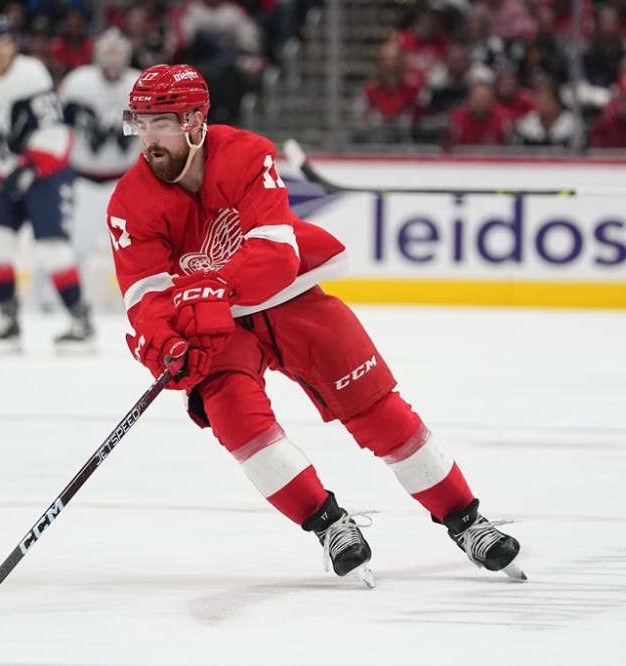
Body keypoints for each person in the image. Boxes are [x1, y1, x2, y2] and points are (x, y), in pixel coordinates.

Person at [108, 63, 525, 585]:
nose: (147, 138)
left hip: (289, 297)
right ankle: (330, 526)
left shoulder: (246, 153)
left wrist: (216, 289)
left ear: (195, 121)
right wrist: (167, 343)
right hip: (216, 328)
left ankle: (467, 520)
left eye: (160, 123)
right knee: (238, 423)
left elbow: (276, 251)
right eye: (139, 124)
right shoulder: (130, 201)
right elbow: (144, 295)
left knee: (378, 411)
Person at [0, 15, 94, 352]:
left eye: (3, 40)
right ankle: (9, 323)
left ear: (14, 44)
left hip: (45, 175)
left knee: (53, 249)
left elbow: (54, 130)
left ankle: (81, 321)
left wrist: (31, 167)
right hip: (12, 174)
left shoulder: (30, 75)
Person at [59, 27, 140, 305]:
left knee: (128, 248)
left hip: (124, 183)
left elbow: (137, 137)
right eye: (109, 52)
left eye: (119, 52)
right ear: (98, 55)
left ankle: (133, 300)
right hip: (82, 180)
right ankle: (60, 298)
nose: (114, 58)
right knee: (73, 244)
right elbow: (61, 128)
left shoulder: (137, 84)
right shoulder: (79, 83)